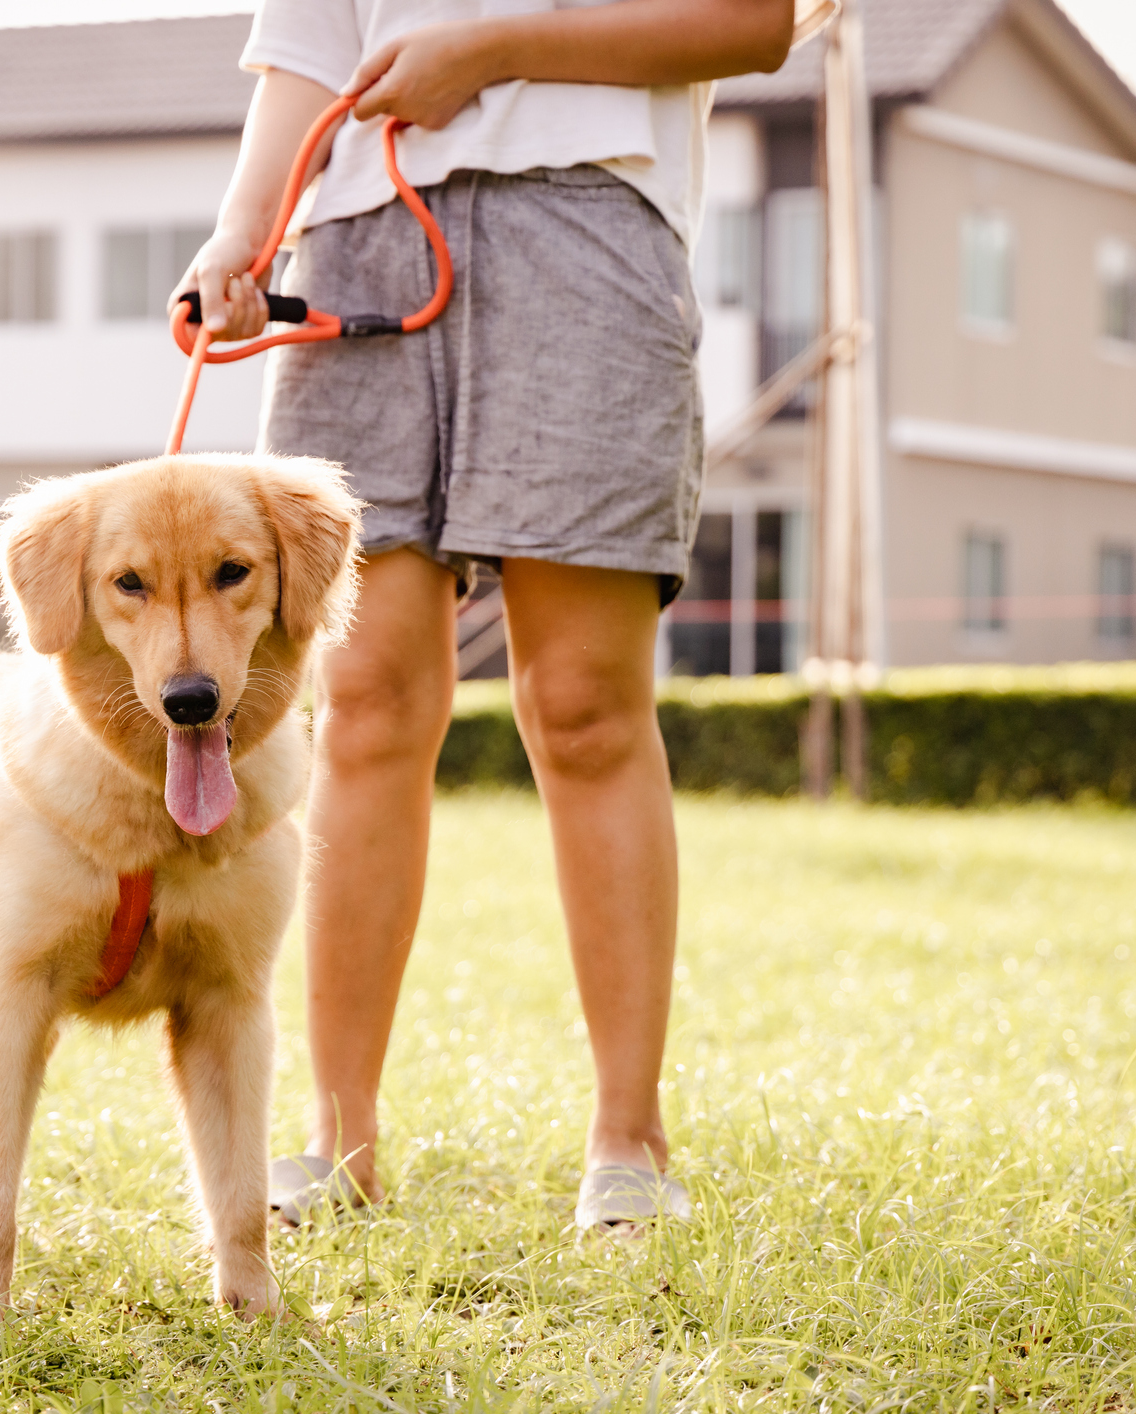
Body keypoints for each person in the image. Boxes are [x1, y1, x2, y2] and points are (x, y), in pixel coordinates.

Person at [175, 0, 796, 1231]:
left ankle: (629, 1142)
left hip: (589, 226)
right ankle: (336, 1141)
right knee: (363, 705)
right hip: (355, 242)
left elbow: (754, 20)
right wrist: (244, 234)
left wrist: (500, 46)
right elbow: (308, 46)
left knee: (583, 707)